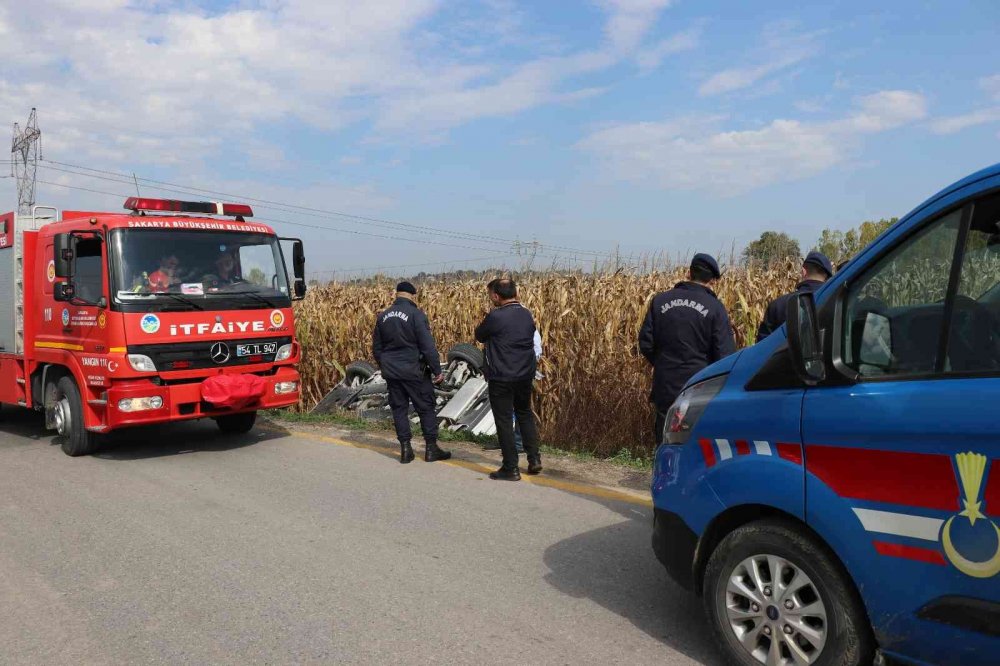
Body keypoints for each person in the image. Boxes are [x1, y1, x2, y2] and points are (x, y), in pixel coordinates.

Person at [638, 253, 736, 443]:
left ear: (689, 273)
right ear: (713, 281)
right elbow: (725, 355)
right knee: (695, 443)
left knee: (665, 439)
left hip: (666, 384)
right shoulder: (715, 307)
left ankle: (664, 463)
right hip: (699, 388)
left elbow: (646, 343)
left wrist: (663, 363)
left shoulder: (660, 301)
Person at [372, 281, 451, 464]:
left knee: (399, 409)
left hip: (392, 373)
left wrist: (385, 365)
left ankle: (405, 449)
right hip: (415, 371)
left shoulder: (383, 316)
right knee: (425, 408)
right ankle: (431, 449)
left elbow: (377, 348)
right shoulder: (416, 315)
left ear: (397, 294)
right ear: (412, 295)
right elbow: (427, 346)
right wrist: (437, 370)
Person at [475, 278, 541, 481]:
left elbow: (479, 335)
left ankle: (510, 467)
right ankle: (534, 459)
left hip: (502, 376)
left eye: (490, 295)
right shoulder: (526, 313)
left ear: (496, 296)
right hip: (524, 375)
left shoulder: (496, 316)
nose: (490, 298)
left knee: (504, 420)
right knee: (525, 414)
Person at [755, 250, 834, 342]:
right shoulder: (836, 301)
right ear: (827, 277)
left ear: (803, 271)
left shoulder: (778, 305)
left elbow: (763, 344)